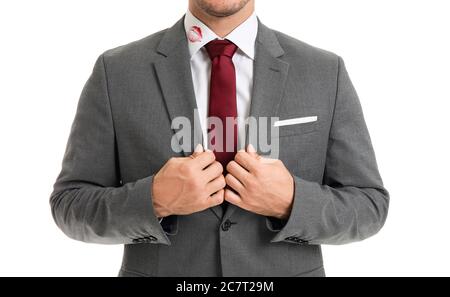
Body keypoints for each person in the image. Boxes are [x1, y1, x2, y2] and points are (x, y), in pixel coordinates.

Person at [50, 0, 389, 277]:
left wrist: (292, 201)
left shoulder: (324, 72)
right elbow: (70, 205)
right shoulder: (117, 71)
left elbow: (369, 206)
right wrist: (153, 200)